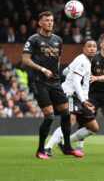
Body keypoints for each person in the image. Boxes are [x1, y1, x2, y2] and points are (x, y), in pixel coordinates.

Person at [22, 11, 83, 159]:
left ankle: (67, 147)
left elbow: (57, 60)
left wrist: (55, 73)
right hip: (40, 82)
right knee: (49, 116)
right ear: (40, 23)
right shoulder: (34, 39)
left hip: (55, 82)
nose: (50, 22)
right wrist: (42, 69)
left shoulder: (58, 40)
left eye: (51, 20)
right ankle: (40, 150)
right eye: (47, 20)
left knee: (66, 115)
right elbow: (25, 60)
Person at [44, 39, 99, 156]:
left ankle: (64, 144)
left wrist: (84, 99)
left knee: (93, 127)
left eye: (94, 46)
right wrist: (84, 100)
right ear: (83, 49)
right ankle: (47, 147)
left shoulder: (79, 59)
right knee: (70, 121)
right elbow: (76, 81)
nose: (92, 48)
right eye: (89, 46)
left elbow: (64, 72)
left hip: (79, 97)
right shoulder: (83, 61)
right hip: (71, 94)